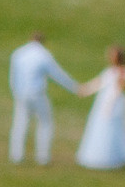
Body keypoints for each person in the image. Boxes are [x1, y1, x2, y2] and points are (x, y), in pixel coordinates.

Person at [8, 34, 84, 166]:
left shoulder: (19, 53)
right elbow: (57, 74)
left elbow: (13, 77)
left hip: (21, 94)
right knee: (45, 123)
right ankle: (43, 157)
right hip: (37, 94)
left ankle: (16, 155)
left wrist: (16, 92)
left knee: (20, 123)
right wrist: (74, 87)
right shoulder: (43, 55)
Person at [76, 46, 125, 171]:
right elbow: (99, 83)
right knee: (100, 126)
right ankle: (99, 155)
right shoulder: (109, 71)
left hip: (114, 102)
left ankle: (113, 156)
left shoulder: (124, 71)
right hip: (104, 99)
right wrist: (86, 89)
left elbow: (119, 89)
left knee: (112, 126)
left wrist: (110, 104)